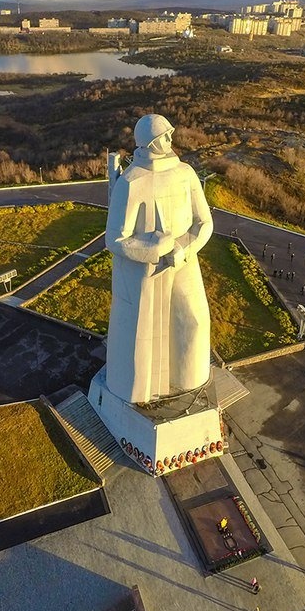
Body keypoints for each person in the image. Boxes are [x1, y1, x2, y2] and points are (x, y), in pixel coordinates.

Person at [104, 114, 214, 405]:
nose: (169, 140)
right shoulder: (131, 182)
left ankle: (190, 386)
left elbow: (204, 222)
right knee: (142, 343)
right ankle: (143, 395)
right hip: (147, 273)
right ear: (149, 144)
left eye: (168, 135)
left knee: (194, 322)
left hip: (184, 263)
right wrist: (153, 247)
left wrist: (184, 249)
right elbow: (114, 239)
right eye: (163, 137)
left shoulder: (185, 173)